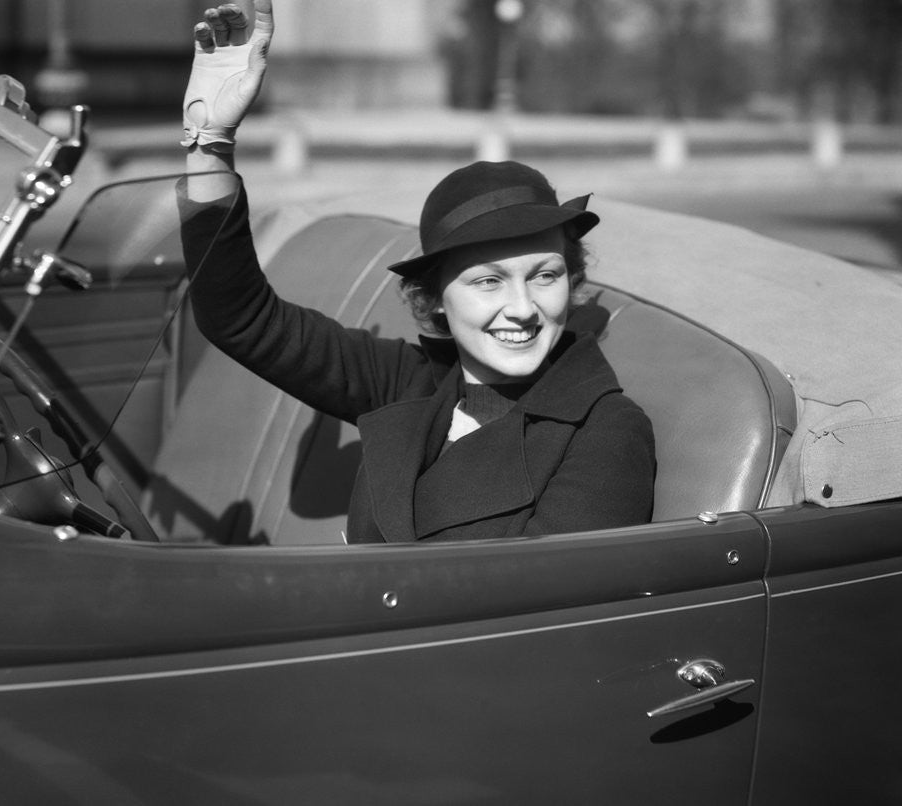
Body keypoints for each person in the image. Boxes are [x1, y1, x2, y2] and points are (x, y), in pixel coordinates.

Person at [179, 1, 655, 543]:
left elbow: (544, 593)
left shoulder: (604, 430)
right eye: (488, 281)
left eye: (544, 276)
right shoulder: (411, 384)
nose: (523, 309)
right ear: (435, 300)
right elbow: (238, 317)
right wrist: (209, 142)